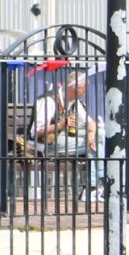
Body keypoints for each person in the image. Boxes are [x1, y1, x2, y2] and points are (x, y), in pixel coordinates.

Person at [32, 70, 106, 201]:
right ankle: (94, 187)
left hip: (64, 139)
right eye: (83, 88)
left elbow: (91, 123)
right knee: (95, 144)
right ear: (73, 88)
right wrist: (60, 125)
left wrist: (91, 133)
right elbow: (35, 132)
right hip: (46, 143)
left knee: (100, 135)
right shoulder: (49, 100)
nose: (85, 91)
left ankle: (94, 186)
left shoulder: (75, 102)